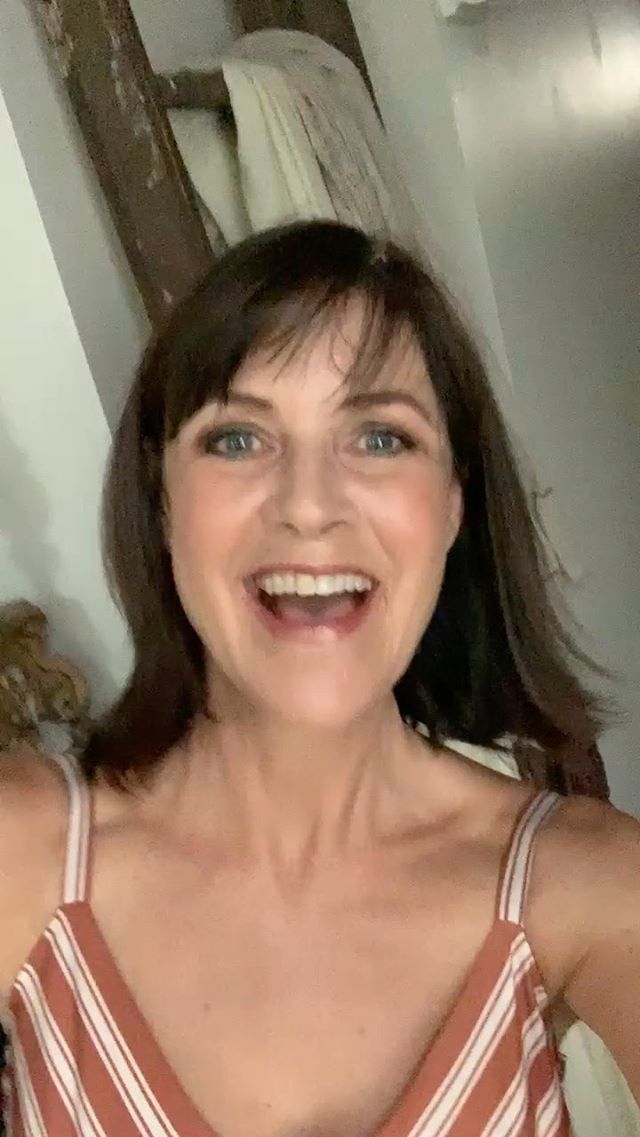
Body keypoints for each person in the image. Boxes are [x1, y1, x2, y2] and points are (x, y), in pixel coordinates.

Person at [0, 220, 638, 1137]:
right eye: (237, 439)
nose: (308, 505)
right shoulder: (24, 847)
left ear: (454, 501)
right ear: (162, 497)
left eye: (380, 437)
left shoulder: (586, 883)